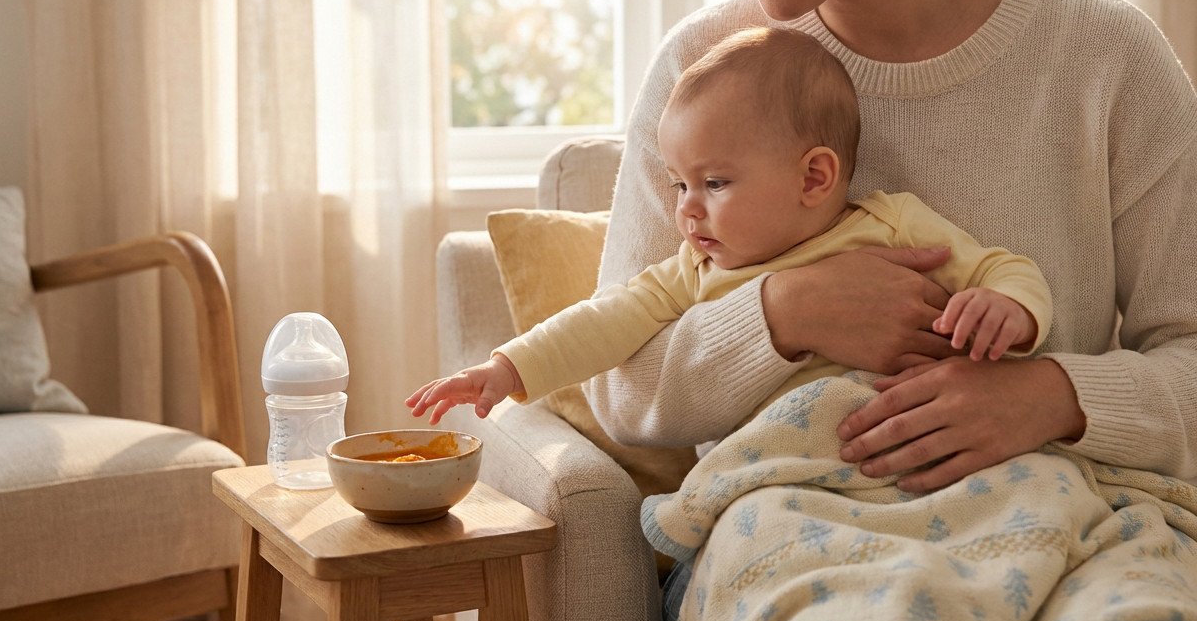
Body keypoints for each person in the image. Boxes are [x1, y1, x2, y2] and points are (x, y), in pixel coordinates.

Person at [583, 0, 1197, 621]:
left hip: (1061, 525)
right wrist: (784, 313)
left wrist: (1048, 396)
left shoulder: (1105, 54)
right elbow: (620, 386)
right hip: (791, 539)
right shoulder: (708, 67)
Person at [406, 26, 1052, 434]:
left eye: (714, 184)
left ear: (813, 178)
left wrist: (1009, 308)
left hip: (922, 456)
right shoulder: (695, 270)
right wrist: (509, 367)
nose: (687, 210)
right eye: (678, 184)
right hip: (779, 480)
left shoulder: (892, 224)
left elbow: (1003, 268)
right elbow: (604, 324)